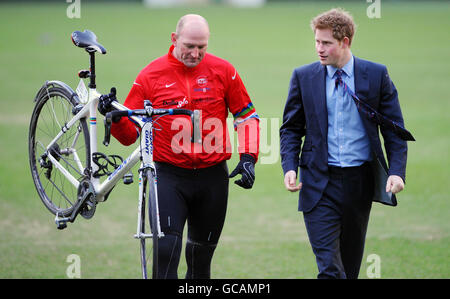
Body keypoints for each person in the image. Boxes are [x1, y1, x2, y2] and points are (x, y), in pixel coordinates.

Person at [102, 14, 260, 278]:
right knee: (166, 256)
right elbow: (129, 134)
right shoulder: (150, 75)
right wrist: (115, 118)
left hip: (213, 177)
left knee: (200, 264)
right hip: (168, 176)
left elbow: (246, 116)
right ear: (174, 39)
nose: (195, 53)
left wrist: (248, 157)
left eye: (202, 47)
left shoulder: (224, 71)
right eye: (189, 46)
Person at [280, 8, 411, 279]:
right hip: (317, 184)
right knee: (329, 270)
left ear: (345, 41)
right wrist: (289, 166)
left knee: (349, 270)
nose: (319, 48)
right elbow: (291, 129)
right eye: (317, 41)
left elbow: (394, 131)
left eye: (326, 43)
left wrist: (397, 171)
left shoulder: (375, 75)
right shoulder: (304, 77)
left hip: (358, 184)